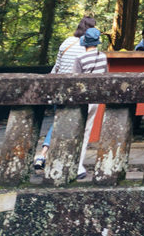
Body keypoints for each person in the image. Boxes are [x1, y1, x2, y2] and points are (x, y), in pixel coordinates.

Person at [34, 14, 96, 171]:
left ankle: (45, 154)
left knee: (57, 121)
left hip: (58, 86)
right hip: (75, 90)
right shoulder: (88, 47)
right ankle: (46, 154)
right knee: (68, 124)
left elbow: (56, 66)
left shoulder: (66, 42)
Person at [73, 26, 108, 179]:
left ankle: (76, 164)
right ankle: (79, 164)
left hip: (82, 99)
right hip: (95, 99)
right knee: (86, 132)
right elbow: (105, 76)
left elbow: (74, 80)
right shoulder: (103, 57)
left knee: (76, 130)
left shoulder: (80, 59)